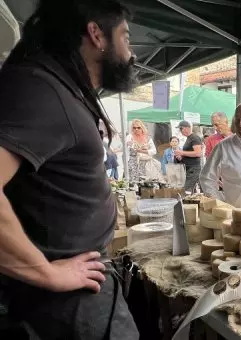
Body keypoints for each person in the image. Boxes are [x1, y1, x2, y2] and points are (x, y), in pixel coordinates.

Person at [0, 0, 139, 338]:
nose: (131, 51)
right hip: (63, 305)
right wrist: (46, 273)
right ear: (96, 34)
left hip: (74, 293)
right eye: (125, 36)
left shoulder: (58, 83)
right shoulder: (40, 88)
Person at [174, 121, 203, 192]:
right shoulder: (189, 138)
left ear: (187, 128)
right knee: (189, 191)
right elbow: (191, 153)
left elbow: (198, 153)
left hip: (193, 169)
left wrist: (182, 152)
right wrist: (181, 157)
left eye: (181, 129)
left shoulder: (194, 138)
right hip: (189, 168)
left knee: (186, 190)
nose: (180, 131)